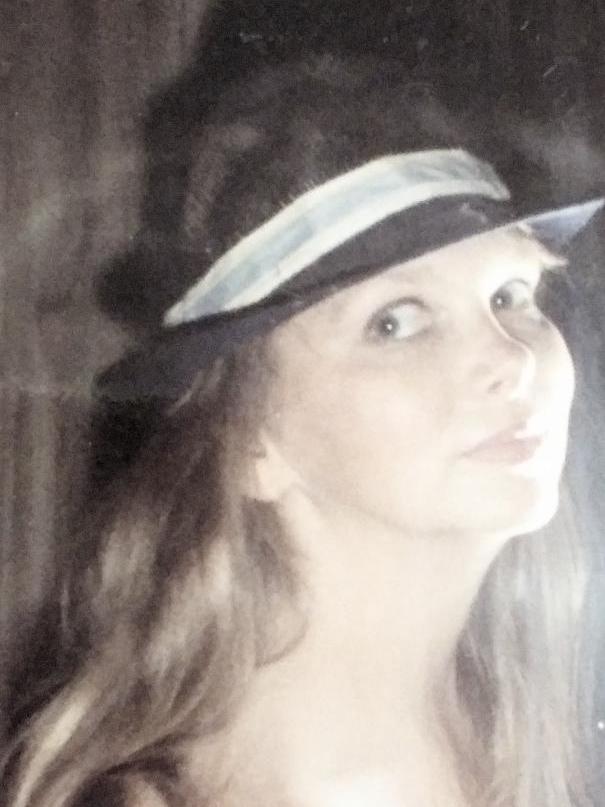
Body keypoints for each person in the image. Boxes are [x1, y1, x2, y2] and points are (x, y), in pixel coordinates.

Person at [1, 55, 603, 807]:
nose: (511, 359)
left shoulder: (554, 738)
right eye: (396, 322)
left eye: (511, 294)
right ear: (250, 439)